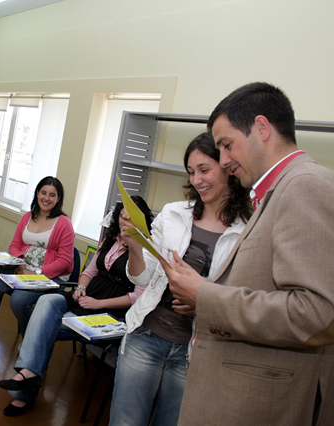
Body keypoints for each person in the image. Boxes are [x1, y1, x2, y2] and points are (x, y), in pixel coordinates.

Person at [163, 83, 334, 425]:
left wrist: (206, 296)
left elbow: (318, 313)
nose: (224, 161)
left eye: (227, 145)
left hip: (264, 404)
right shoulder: (281, 190)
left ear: (262, 128)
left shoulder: (306, 187)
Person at [109, 132, 252, 425]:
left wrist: (202, 299)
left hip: (194, 353)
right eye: (191, 172)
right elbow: (144, 276)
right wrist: (135, 247)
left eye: (204, 170)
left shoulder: (247, 230)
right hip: (146, 338)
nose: (197, 180)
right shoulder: (174, 214)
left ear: (228, 167)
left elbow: (240, 297)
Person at [0, 196, 152, 417]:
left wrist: (98, 303)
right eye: (121, 216)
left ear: (142, 220)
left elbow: (138, 296)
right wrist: (80, 287)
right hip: (86, 297)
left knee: (43, 328)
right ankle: (29, 375)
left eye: (130, 218)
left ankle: (24, 390)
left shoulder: (146, 250)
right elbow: (90, 271)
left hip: (111, 310)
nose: (124, 221)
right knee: (47, 300)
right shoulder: (111, 240)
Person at [0, 176, 74, 352]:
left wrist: (37, 272)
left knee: (18, 301)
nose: (46, 198)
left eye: (52, 195)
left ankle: (31, 342)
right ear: (37, 193)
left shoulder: (64, 223)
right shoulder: (27, 217)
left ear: (58, 199)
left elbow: (64, 261)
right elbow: (14, 245)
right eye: (43, 193)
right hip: (22, 271)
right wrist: (22, 265)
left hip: (48, 277)